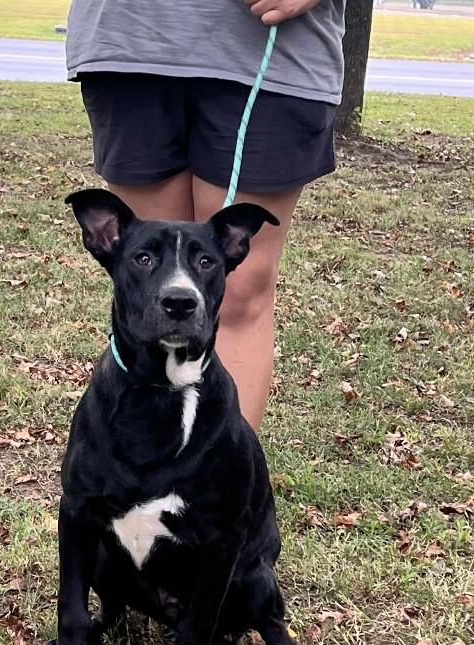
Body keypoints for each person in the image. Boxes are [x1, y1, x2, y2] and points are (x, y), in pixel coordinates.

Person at [66, 0, 346, 430]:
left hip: (270, 49)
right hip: (131, 39)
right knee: (153, 286)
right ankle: (148, 481)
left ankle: (222, 487)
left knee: (238, 293)